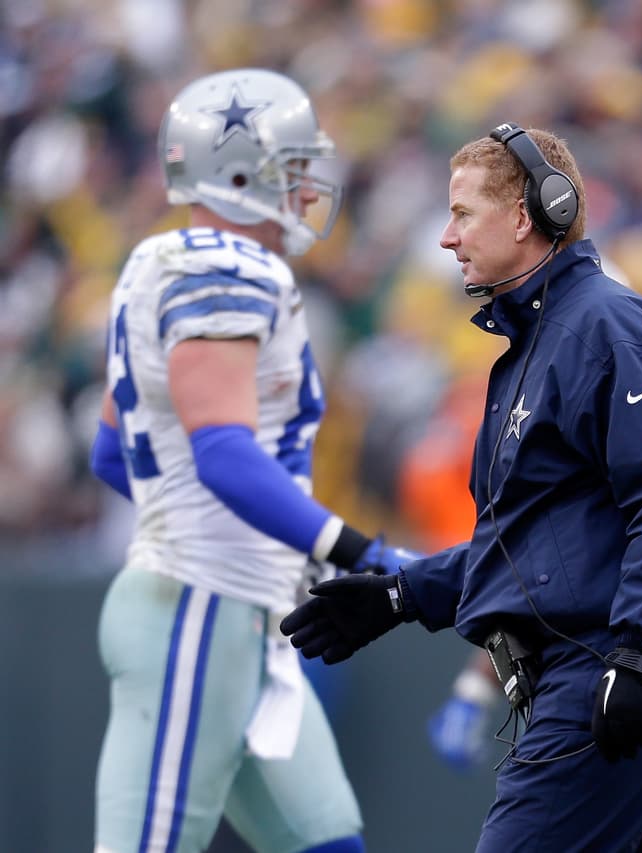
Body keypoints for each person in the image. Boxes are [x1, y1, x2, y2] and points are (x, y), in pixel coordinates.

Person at [281, 123, 642, 852]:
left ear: (527, 215)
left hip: (610, 661)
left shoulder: (611, 327)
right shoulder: (540, 343)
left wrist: (635, 651)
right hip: (596, 659)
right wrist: (403, 595)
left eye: (463, 214)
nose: (446, 238)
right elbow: (534, 546)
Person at [89, 68, 423, 853]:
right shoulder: (232, 269)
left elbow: (114, 453)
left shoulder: (155, 259)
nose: (310, 183)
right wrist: (360, 550)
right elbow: (225, 458)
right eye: (294, 164)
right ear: (242, 172)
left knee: (327, 843)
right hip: (198, 613)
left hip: (242, 613)